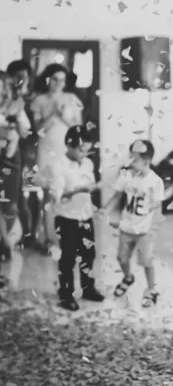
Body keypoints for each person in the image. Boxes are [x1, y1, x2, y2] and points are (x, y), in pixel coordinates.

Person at [104, 139, 164, 308]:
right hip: (126, 227)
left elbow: (158, 205)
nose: (130, 162)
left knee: (146, 261)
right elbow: (116, 196)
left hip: (144, 230)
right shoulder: (126, 176)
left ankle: (151, 289)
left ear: (147, 161)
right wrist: (105, 210)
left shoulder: (155, 181)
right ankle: (128, 277)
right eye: (130, 158)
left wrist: (154, 226)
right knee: (121, 258)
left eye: (134, 159)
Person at [50, 125, 104, 311]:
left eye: (87, 150)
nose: (84, 153)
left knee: (89, 255)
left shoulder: (88, 164)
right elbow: (56, 197)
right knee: (68, 257)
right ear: (68, 145)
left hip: (85, 216)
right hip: (67, 218)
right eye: (81, 150)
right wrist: (75, 191)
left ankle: (88, 288)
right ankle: (66, 295)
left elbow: (90, 184)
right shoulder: (59, 167)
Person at [32, 63, 83, 254]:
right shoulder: (39, 100)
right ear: (47, 79)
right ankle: (48, 239)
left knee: (68, 194)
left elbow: (78, 128)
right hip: (45, 153)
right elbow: (37, 130)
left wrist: (63, 117)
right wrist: (52, 114)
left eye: (62, 79)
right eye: (55, 79)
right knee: (48, 196)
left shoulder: (72, 98)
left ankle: (69, 239)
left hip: (66, 153)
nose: (58, 83)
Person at [7, 59, 40, 248]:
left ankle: (31, 234)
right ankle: (16, 233)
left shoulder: (34, 98)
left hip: (30, 151)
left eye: (23, 76)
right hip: (10, 152)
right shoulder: (8, 98)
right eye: (16, 76)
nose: (20, 80)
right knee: (14, 194)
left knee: (31, 193)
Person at [0, 71, 30, 260]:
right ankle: (4, 243)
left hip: (10, 159)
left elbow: (25, 132)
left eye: (2, 85)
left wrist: (17, 125)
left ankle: (6, 242)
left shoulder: (16, 105)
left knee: (9, 204)